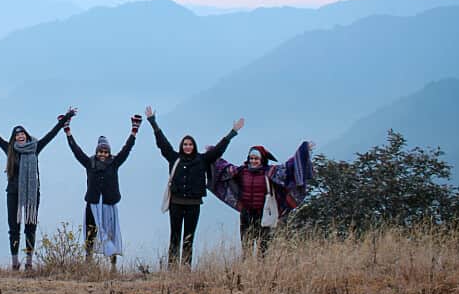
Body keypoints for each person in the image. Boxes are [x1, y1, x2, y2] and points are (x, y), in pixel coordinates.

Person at [0, 93, 75, 270]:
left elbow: (52, 133)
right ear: (14, 138)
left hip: (32, 194)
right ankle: (15, 262)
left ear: (27, 136)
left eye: (22, 134)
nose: (20, 136)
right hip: (13, 193)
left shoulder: (35, 148)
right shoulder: (9, 149)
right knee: (13, 228)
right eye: (17, 135)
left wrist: (66, 117)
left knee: (30, 227)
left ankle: (28, 262)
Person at [146, 106, 244, 267]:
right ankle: (172, 268)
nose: (187, 146)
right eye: (185, 144)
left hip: (193, 204)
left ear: (194, 146)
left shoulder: (202, 160)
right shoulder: (174, 158)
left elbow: (218, 150)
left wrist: (232, 132)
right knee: (175, 237)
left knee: (189, 238)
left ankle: (185, 269)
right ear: (181, 146)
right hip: (176, 203)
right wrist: (153, 123)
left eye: (190, 144)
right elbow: (162, 144)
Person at [210, 141, 316, 257]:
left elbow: (289, 168)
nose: (253, 161)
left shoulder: (270, 172)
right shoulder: (241, 171)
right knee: (247, 247)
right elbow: (225, 168)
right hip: (246, 213)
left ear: (262, 159)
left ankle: (261, 270)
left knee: (263, 247)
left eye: (256, 158)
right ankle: (247, 270)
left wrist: (303, 150)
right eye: (251, 158)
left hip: (264, 214)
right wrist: (213, 153)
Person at [63, 113, 141, 269]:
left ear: (109, 153)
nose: (103, 155)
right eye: (100, 152)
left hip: (108, 204)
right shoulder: (89, 163)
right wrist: (68, 132)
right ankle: (89, 262)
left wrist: (134, 131)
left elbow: (127, 149)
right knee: (90, 234)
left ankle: (113, 265)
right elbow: (75, 150)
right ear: (96, 152)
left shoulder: (114, 163)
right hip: (92, 204)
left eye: (105, 152)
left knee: (111, 233)